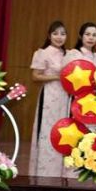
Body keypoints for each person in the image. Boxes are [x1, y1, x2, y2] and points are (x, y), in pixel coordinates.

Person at [29, 21, 71, 178]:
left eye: (63, 34)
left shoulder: (67, 54)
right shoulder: (43, 52)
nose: (59, 37)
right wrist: (57, 76)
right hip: (49, 95)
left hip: (65, 96)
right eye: (55, 33)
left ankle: (61, 170)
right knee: (48, 131)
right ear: (49, 35)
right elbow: (35, 76)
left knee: (63, 131)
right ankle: (44, 171)